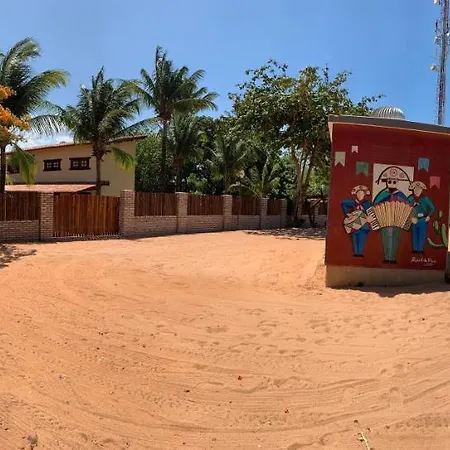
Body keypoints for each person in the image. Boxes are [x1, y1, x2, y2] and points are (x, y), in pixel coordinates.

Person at [373, 166, 410, 263]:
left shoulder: (401, 194)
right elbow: (375, 205)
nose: (392, 183)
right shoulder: (383, 194)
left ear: (397, 182)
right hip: (384, 220)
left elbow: (409, 207)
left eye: (394, 181)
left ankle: (393, 258)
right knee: (386, 238)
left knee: (396, 239)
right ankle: (386, 258)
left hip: (398, 221)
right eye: (389, 181)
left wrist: (410, 218)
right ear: (386, 182)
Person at [341, 185, 372, 257]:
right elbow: (343, 203)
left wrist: (369, 218)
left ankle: (360, 253)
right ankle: (356, 253)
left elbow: (372, 212)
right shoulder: (353, 202)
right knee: (354, 239)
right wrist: (347, 213)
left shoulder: (368, 203)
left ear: (364, 194)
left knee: (361, 239)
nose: (360, 195)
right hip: (354, 225)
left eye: (362, 193)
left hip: (364, 226)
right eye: (358, 193)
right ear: (356, 194)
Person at [407, 181, 435, 253]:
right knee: (414, 234)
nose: (417, 191)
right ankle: (415, 249)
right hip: (414, 220)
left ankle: (420, 249)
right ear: (413, 190)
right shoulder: (410, 199)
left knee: (422, 234)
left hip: (423, 220)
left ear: (422, 190)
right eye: (415, 189)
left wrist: (429, 216)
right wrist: (410, 217)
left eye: (419, 189)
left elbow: (432, 208)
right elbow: (406, 209)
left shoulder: (425, 199)